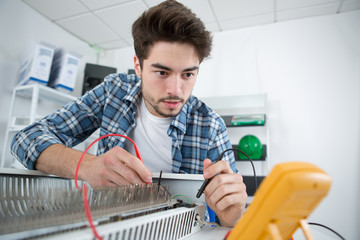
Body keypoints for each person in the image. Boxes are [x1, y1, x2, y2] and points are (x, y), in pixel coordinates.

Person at [11, 0, 247, 227]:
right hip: (108, 227)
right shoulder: (113, 91)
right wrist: (86, 165)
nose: (176, 90)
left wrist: (232, 215)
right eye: (162, 72)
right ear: (138, 66)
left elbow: (227, 217)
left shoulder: (211, 125)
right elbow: (26, 139)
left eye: (188, 74)